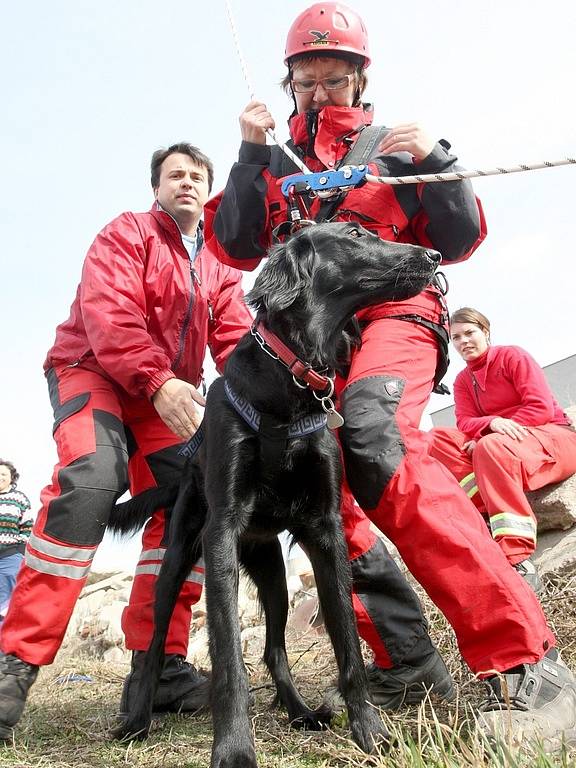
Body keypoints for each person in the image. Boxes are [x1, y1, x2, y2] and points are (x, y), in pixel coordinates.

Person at [204, 1, 576, 745]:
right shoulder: (275, 164)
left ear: (359, 79)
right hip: (318, 343)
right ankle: (406, 659)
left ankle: (526, 666)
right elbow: (240, 244)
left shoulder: (394, 145)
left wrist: (436, 161)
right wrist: (249, 158)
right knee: (323, 492)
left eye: (333, 78)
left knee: (376, 438)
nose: (319, 93)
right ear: (288, 85)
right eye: (305, 81)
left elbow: (460, 237)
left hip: (397, 312)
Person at [0, 143, 253, 740]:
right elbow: (108, 315)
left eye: (197, 176)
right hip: (93, 368)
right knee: (91, 479)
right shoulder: (126, 234)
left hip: (165, 390)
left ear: (209, 189)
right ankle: (15, 665)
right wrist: (160, 380)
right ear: (156, 186)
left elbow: (240, 346)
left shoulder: (219, 269)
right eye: (175, 175)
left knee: (195, 503)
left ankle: (158, 665)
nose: (186, 183)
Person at [429, 307, 576, 592]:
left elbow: (540, 407)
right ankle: (485, 510)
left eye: (470, 333)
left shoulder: (512, 356)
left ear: (485, 331)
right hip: (500, 447)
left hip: (554, 438)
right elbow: (464, 421)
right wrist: (490, 425)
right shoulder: (462, 381)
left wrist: (491, 431)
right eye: (456, 337)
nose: (464, 342)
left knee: (489, 445)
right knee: (434, 438)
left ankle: (518, 556)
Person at [0, 461, 32, 622]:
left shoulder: (19, 499)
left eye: (3, 474)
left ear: (12, 478)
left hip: (9, 556)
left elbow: (27, 527)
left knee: (6, 604)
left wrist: (19, 551)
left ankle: (4, 645)